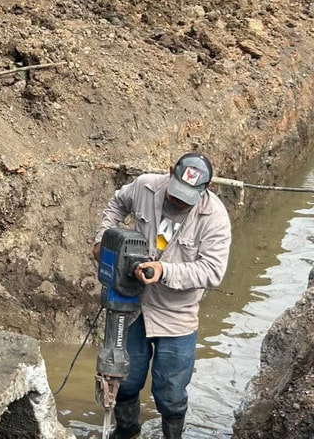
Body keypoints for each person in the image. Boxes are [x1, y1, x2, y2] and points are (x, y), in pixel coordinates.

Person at [92, 153, 231, 439]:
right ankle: (127, 430)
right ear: (170, 173)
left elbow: (212, 271)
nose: (179, 201)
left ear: (206, 188)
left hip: (177, 316)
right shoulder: (145, 187)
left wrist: (164, 271)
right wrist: (103, 238)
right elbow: (117, 203)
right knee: (125, 380)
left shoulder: (215, 218)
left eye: (187, 198)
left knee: (170, 392)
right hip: (132, 304)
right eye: (176, 193)